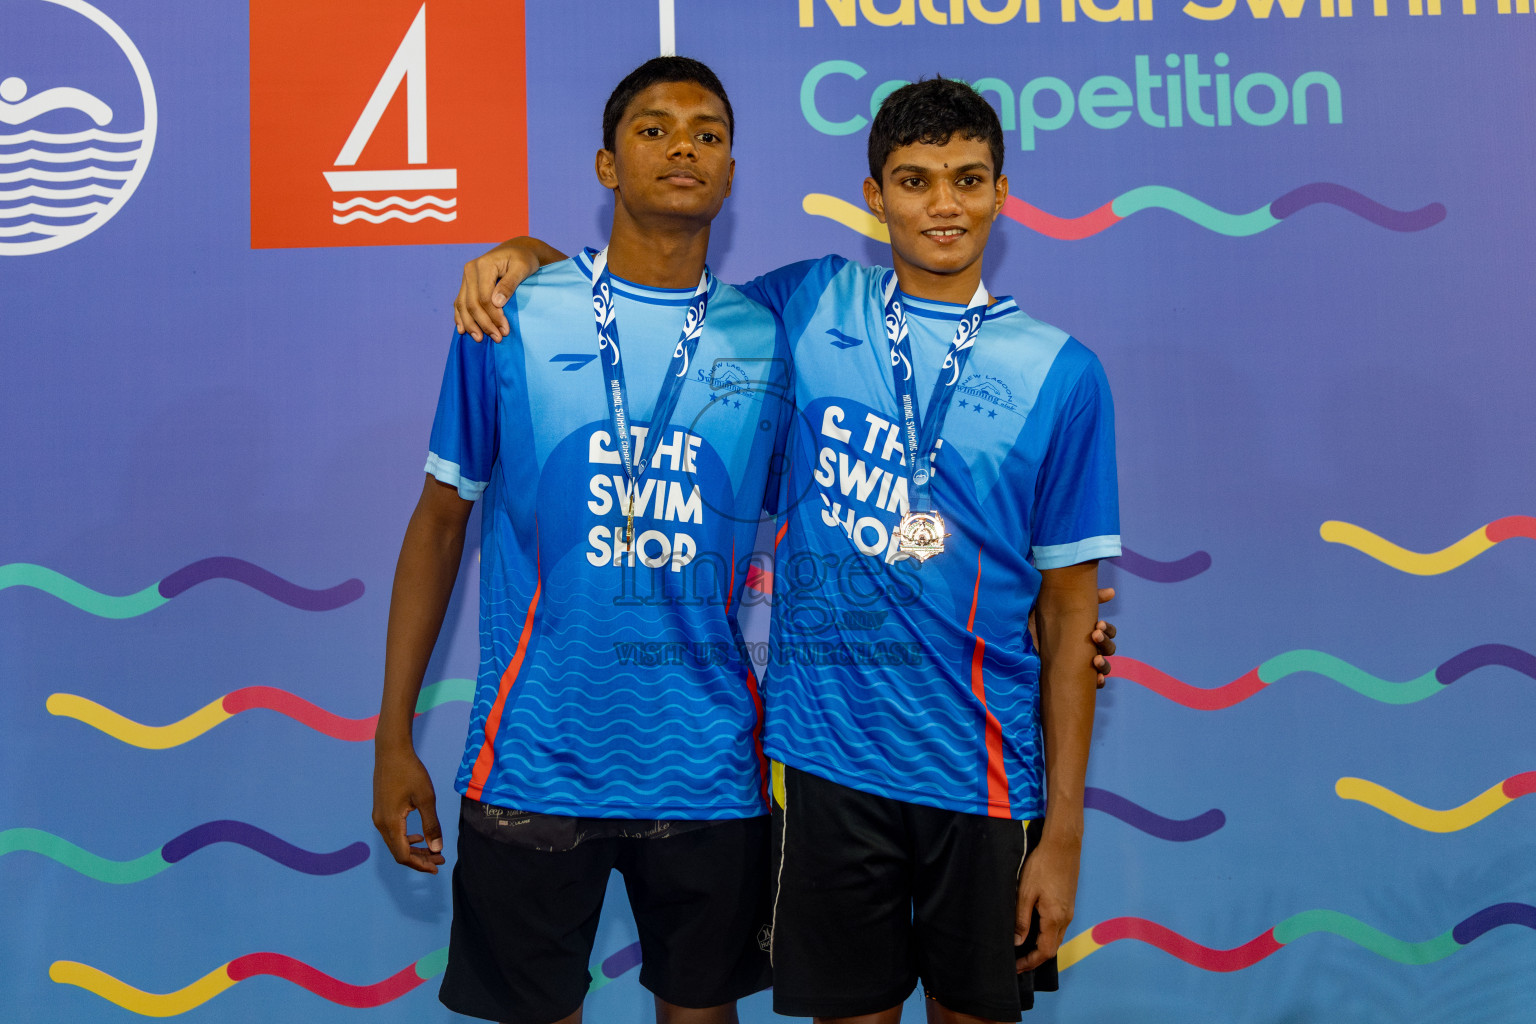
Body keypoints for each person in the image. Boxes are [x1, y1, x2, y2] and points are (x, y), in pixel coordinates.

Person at [455, 77, 1119, 1024]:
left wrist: (1063, 834)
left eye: (968, 179)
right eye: (915, 180)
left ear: (1003, 194)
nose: (943, 203)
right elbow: (655, 290)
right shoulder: (805, 306)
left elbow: (1068, 606)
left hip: (981, 776)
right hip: (827, 772)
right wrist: (535, 259)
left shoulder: (1062, 371)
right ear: (872, 195)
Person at [373, 57, 792, 1024]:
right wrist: (392, 735)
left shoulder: (770, 340)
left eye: (708, 132)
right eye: (653, 129)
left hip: (711, 767)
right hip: (532, 758)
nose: (683, 145)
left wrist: (1033, 612)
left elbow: (838, 528)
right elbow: (441, 526)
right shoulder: (510, 309)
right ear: (606, 165)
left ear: (731, 175)